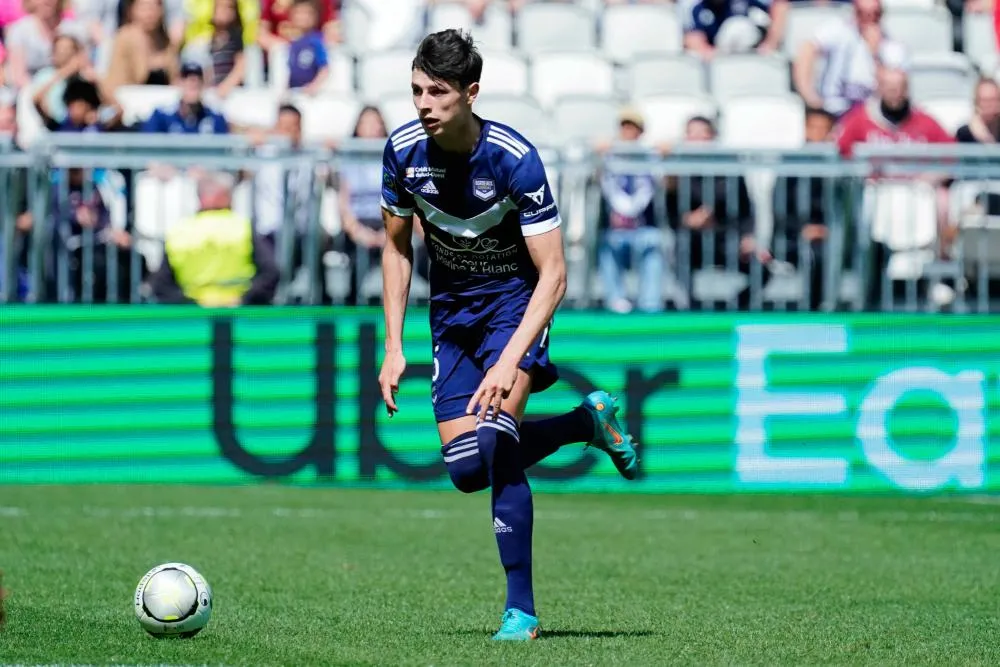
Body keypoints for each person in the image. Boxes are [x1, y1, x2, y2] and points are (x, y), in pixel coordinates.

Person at [378, 29, 639, 642]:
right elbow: (395, 251)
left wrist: (511, 358)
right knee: (466, 471)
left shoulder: (514, 159)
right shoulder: (401, 153)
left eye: (437, 92)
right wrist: (393, 344)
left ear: (470, 93)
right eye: (416, 90)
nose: (423, 104)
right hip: (452, 314)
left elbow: (554, 273)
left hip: (515, 308)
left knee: (496, 444)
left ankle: (520, 611)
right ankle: (585, 424)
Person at [151, 171, 279, 306]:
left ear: (200, 198)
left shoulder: (179, 231)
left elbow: (161, 284)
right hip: (240, 314)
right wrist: (245, 299)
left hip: (193, 315)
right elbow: (271, 272)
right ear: (226, 197)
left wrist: (189, 303)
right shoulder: (242, 227)